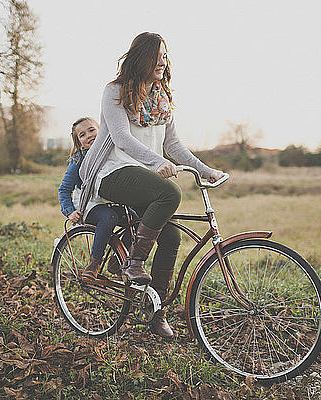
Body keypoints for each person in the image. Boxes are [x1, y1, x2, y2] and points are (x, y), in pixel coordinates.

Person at [77, 32, 223, 338]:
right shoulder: (115, 92)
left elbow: (175, 145)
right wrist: (156, 163)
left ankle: (155, 311)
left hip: (143, 179)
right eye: (156, 56)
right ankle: (134, 262)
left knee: (170, 237)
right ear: (140, 59)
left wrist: (205, 170)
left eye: (165, 56)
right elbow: (121, 138)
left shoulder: (162, 98)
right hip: (112, 172)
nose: (162, 62)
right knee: (170, 192)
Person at [58, 117, 132, 282]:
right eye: (82, 135)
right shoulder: (79, 159)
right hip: (88, 204)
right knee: (108, 217)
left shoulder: (111, 152)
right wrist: (69, 211)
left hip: (110, 202)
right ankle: (94, 263)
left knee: (136, 219)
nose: (89, 135)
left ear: (101, 131)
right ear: (80, 143)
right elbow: (64, 189)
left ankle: (118, 259)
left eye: (92, 130)